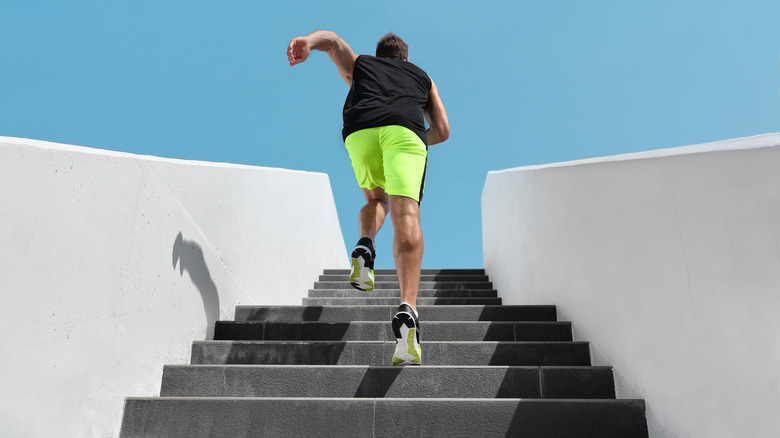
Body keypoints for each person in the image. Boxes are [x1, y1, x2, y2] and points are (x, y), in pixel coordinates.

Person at [287, 30, 449, 365]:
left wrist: (308, 41)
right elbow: (443, 130)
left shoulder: (362, 64)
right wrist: (413, 139)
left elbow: (332, 40)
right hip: (404, 131)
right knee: (406, 215)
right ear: (404, 57)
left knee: (377, 199)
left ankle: (365, 244)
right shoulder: (422, 75)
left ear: (380, 55)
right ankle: (408, 308)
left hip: (361, 129)